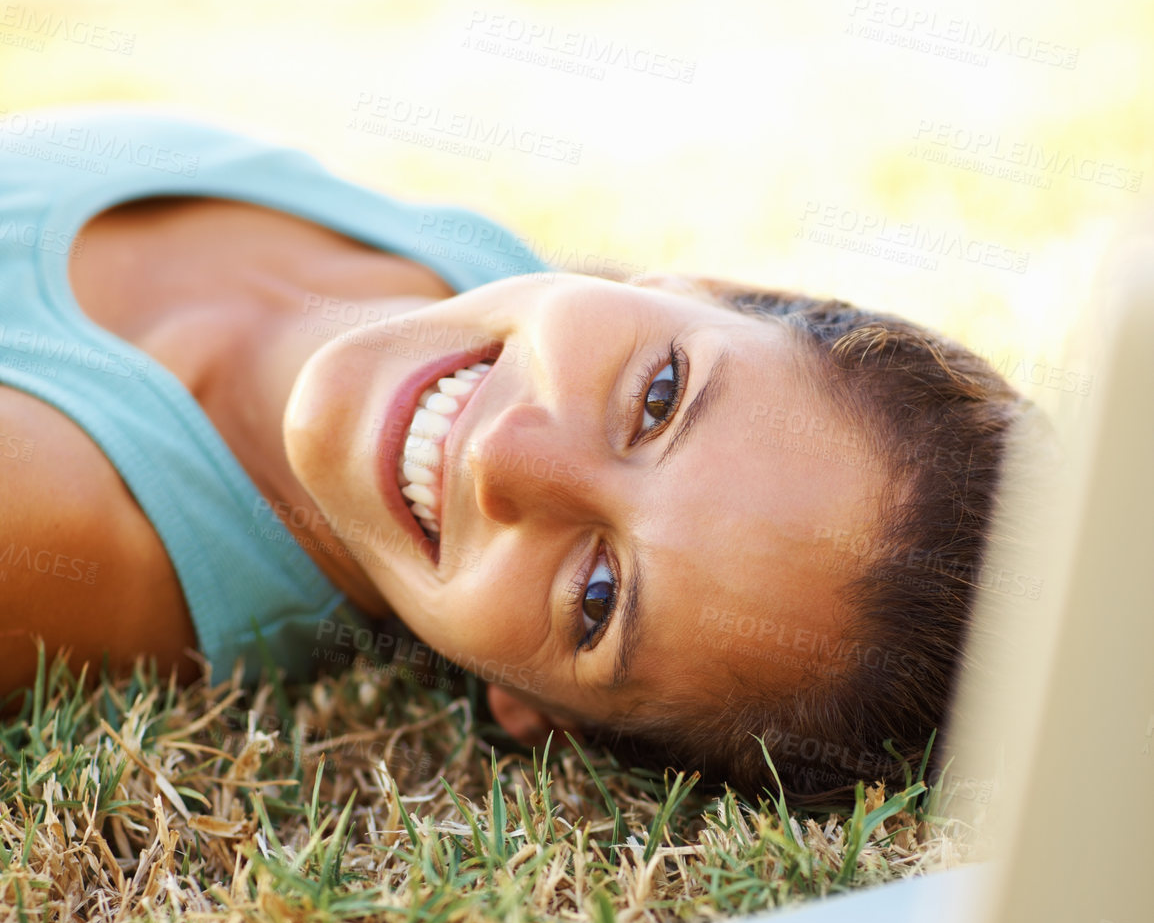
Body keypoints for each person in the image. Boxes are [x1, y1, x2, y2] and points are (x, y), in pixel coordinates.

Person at [0, 106, 1026, 800]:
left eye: (595, 598)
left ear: (533, 708)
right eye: (660, 399)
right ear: (687, 284)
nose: (511, 454)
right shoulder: (478, 272)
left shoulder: (58, 523)